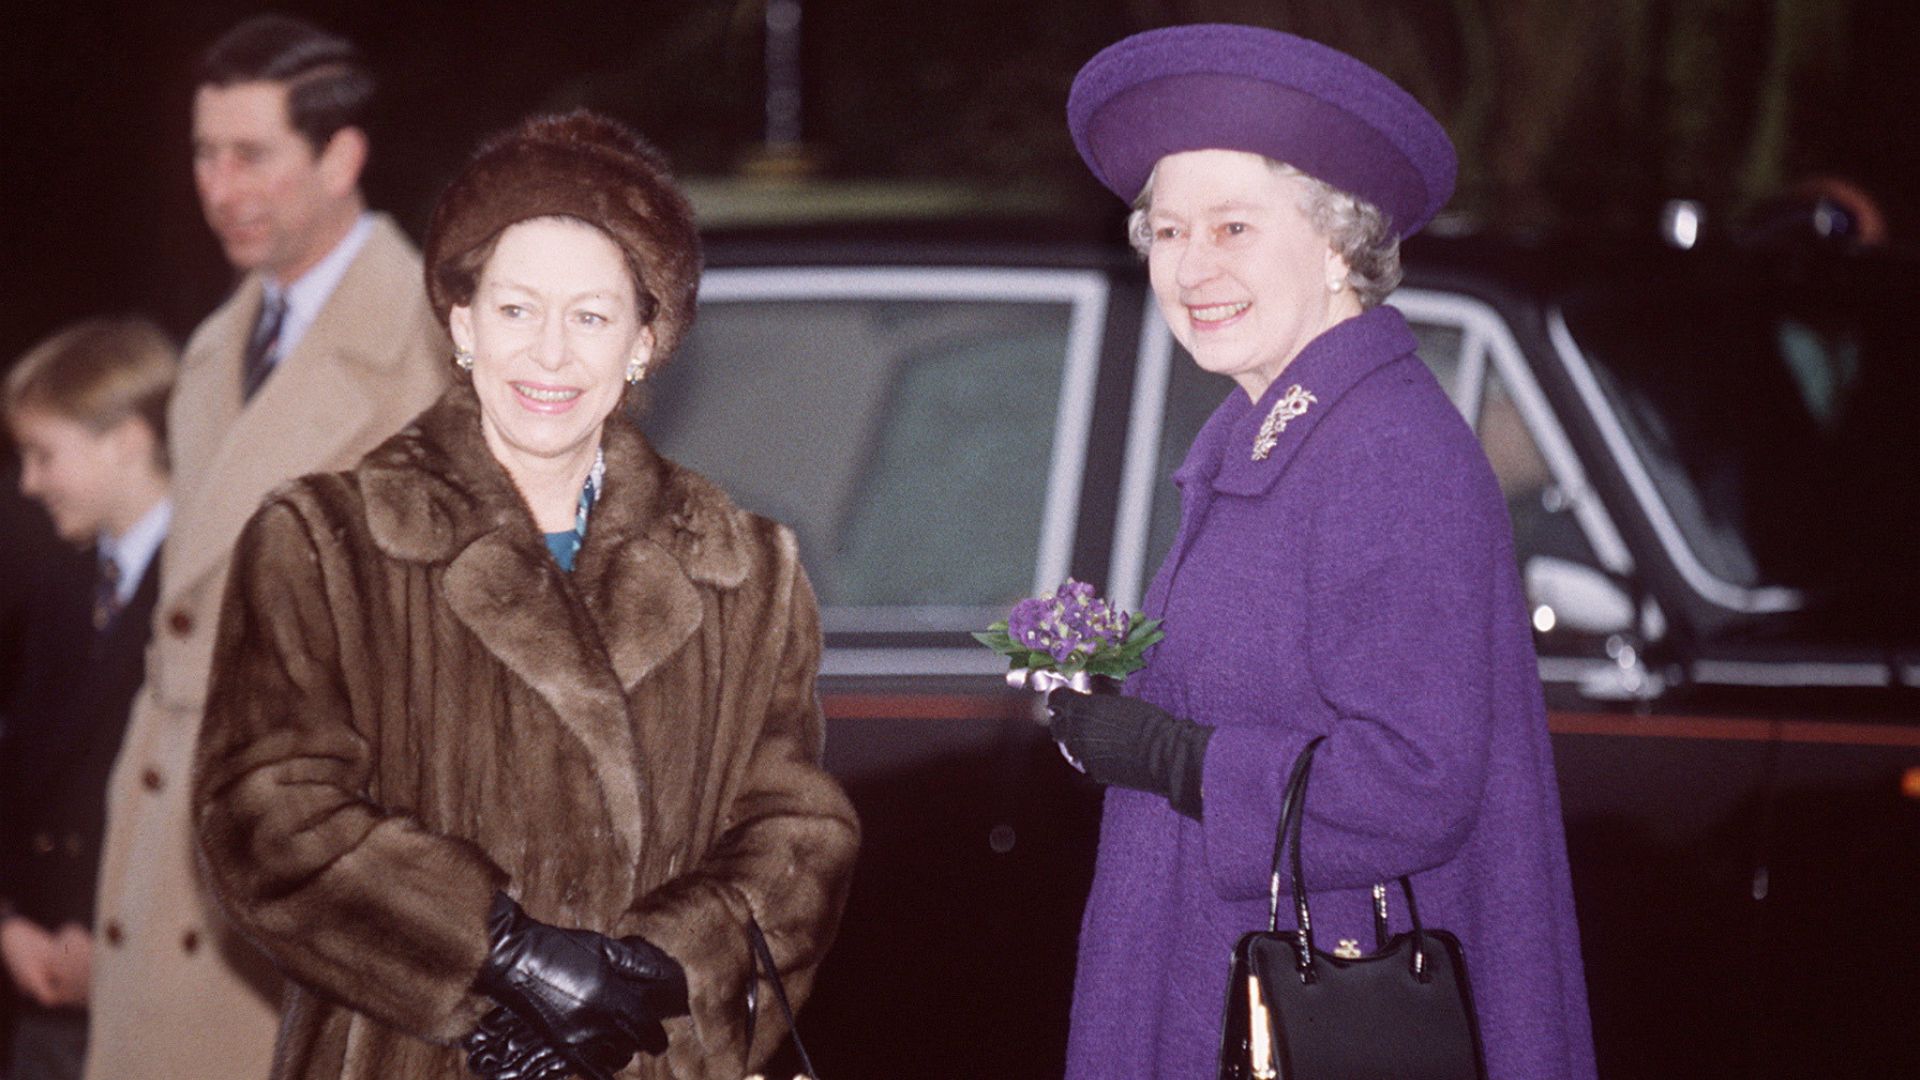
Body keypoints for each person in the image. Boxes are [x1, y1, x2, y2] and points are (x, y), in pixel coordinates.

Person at [191, 110, 860, 1080]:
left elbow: (798, 836)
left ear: (645, 340)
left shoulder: (745, 569)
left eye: (591, 316)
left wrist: (650, 984)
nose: (549, 354)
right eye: (516, 309)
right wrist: (502, 957)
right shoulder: (324, 542)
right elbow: (263, 816)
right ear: (462, 324)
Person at [1046, 24, 1597, 1080]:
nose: (1191, 268)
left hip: (1319, 1010)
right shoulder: (1277, 434)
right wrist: (1118, 699)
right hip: (1234, 989)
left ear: (1341, 242)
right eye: (1167, 233)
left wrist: (1175, 757)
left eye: (1233, 227)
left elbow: (1414, 781)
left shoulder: (1386, 450)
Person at [85, 15, 447, 1080]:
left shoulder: (427, 355)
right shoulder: (215, 346)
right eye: (205, 152)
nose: (221, 186)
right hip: (164, 876)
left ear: (341, 156)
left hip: (288, 913)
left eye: (253, 155)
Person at [1, 317, 175, 1080]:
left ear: (127, 440)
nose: (29, 483)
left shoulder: (218, 582)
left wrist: (120, 949)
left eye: (44, 454)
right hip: (39, 995)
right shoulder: (57, 582)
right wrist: (8, 925)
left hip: (160, 1002)